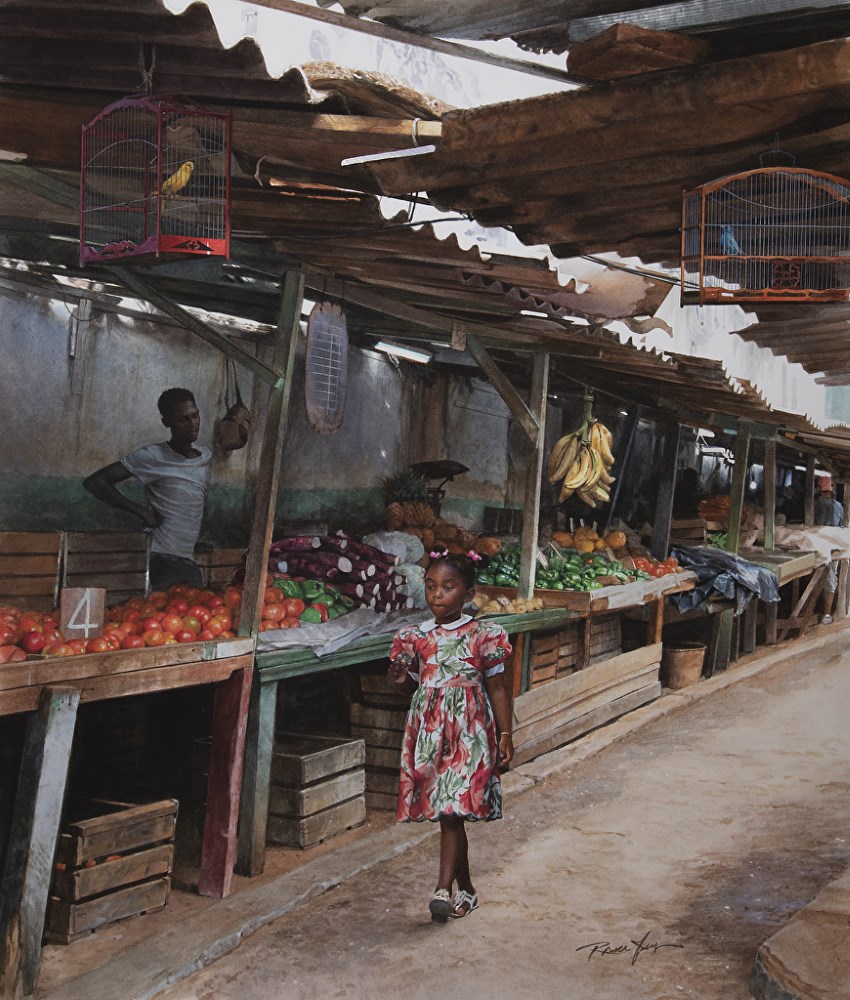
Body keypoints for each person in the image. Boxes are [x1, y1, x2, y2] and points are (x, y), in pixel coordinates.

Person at [387, 551, 514, 923]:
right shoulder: (414, 637)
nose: (436, 595)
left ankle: (442, 889)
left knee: (452, 810)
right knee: (449, 813)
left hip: (469, 732)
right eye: (430, 587)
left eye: (447, 587)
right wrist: (397, 678)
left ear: (469, 592)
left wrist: (505, 733)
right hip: (428, 732)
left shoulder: (483, 635)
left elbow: (499, 688)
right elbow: (407, 686)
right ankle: (468, 892)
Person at [83, 388, 212, 591]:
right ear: (166, 423)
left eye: (195, 416)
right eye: (183, 419)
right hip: (160, 557)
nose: (193, 424)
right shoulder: (152, 456)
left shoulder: (205, 457)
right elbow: (95, 482)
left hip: (187, 557)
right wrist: (141, 512)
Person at [814, 478, 845, 624]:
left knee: (822, 578)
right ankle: (825, 613)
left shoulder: (816, 504)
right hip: (834, 546)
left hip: (818, 545)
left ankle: (822, 612)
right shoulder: (838, 506)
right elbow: (841, 525)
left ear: (818, 489)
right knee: (831, 579)